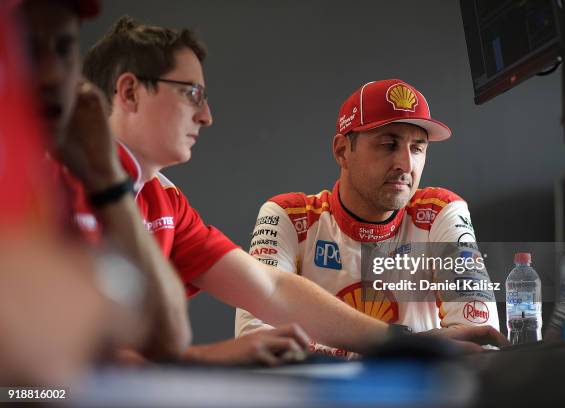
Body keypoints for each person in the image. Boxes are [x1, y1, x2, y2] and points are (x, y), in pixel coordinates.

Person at [82, 17, 507, 365]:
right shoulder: (59, 181)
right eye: (191, 94)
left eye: (417, 148)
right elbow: (56, 360)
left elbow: (270, 290)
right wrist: (207, 358)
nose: (207, 115)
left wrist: (407, 344)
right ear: (130, 92)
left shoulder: (164, 199)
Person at [236, 79, 500, 356]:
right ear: (342, 151)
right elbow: (257, 342)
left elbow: (478, 335)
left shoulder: (440, 211)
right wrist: (414, 346)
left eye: (417, 148)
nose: (406, 165)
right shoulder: (288, 216)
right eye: (388, 144)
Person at [20, 0, 192, 361]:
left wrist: (108, 180)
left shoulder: (71, 177)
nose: (52, 75)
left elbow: (167, 335)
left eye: (65, 49)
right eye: (25, 50)